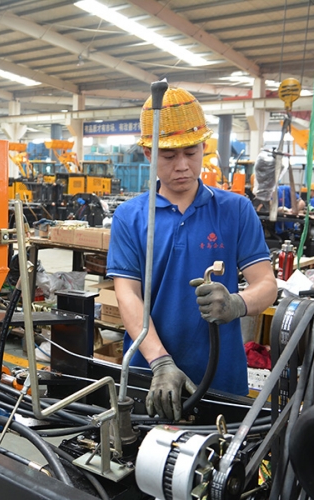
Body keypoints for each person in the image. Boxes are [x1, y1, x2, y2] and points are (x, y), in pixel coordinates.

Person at [106, 88, 278, 421]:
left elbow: (267, 285)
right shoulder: (131, 216)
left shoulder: (236, 210)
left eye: (191, 152)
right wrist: (160, 362)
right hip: (150, 378)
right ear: (148, 153)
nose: (182, 166)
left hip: (221, 379)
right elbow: (128, 295)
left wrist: (236, 304)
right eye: (169, 156)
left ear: (204, 147)